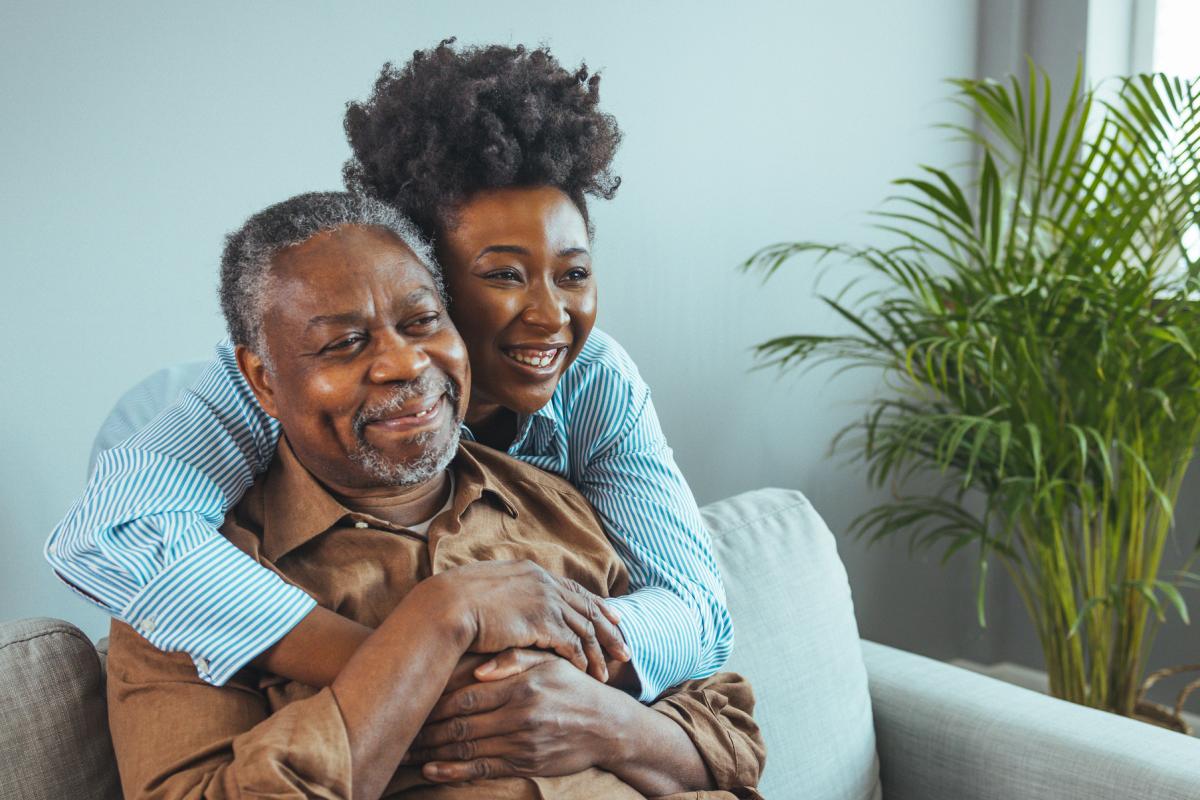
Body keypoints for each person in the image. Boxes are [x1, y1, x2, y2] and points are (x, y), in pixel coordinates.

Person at [46, 40, 731, 702]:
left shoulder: (595, 378)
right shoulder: (272, 387)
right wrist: (411, 669)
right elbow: (113, 531)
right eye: (503, 276)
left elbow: (698, 610)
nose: (551, 316)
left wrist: (541, 673)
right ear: (419, 273)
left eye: (574, 273)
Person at [106, 191, 764, 800]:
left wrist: (602, 722)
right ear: (263, 380)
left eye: (422, 320)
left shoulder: (555, 501)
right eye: (345, 342)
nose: (405, 363)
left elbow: (733, 742)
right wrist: (438, 621)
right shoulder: (181, 590)